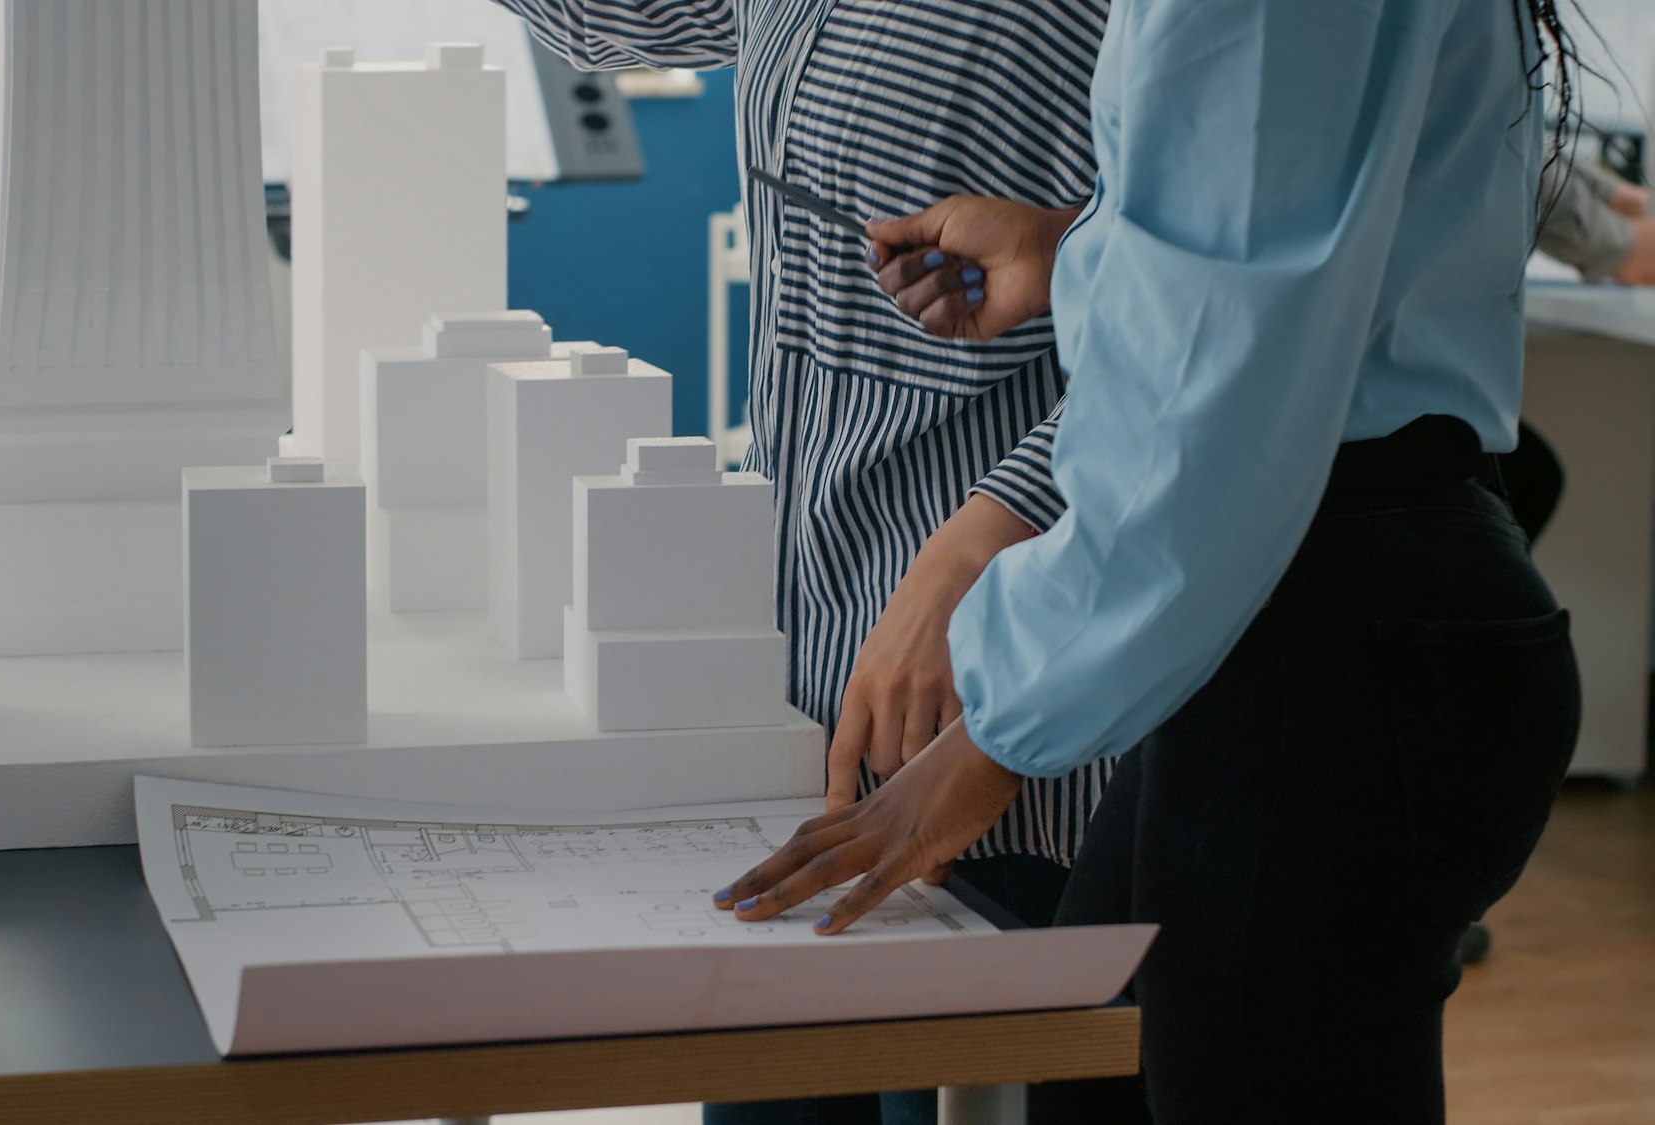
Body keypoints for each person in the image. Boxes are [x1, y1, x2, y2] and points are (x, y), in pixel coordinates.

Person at [715, 1, 1583, 1121]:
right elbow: (1299, 245)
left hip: (1329, 625)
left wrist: (996, 730)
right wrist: (1072, 249)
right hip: (1326, 603)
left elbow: (1209, 403)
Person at [489, 3, 1113, 1124]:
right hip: (810, 697)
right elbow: (609, 19)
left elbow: (1212, 323)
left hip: (998, 714)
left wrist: (986, 540)